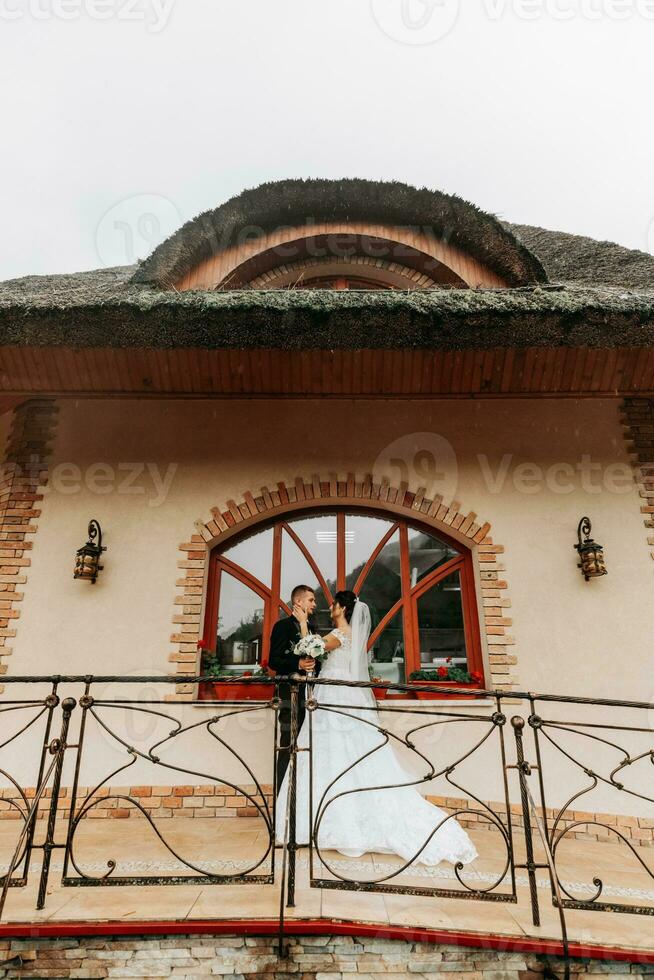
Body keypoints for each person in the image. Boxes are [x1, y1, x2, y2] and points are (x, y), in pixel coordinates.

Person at [275, 589, 478, 867]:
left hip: (335, 694)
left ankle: (335, 819)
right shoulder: (346, 634)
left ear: (343, 609)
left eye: (334, 603)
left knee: (334, 750)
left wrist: (300, 626)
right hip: (337, 693)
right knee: (339, 751)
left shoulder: (340, 634)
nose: (328, 606)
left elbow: (311, 648)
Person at [268, 584, 322, 792]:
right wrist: (297, 664)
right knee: (287, 742)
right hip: (288, 694)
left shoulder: (313, 628)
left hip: (311, 696)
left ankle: (303, 793)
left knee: (309, 744)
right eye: (311, 600)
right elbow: (274, 660)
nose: (315, 604)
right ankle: (282, 794)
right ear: (298, 602)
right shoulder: (282, 626)